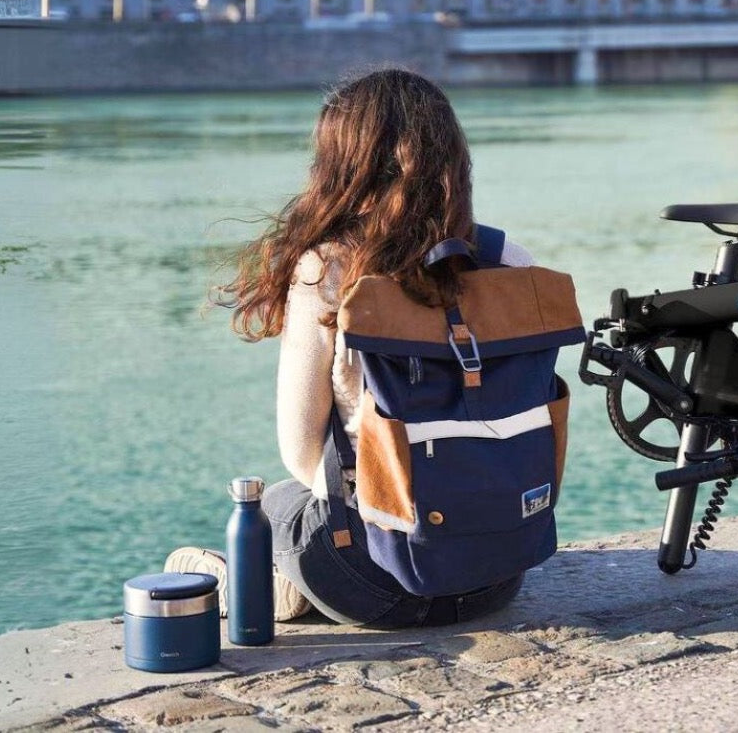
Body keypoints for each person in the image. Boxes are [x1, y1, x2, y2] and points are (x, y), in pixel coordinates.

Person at [166, 68, 530, 627]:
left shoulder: (330, 269)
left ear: (344, 166)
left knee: (276, 502)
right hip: (496, 573)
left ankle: (255, 580)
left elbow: (303, 452)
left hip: (368, 580)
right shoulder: (512, 262)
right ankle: (280, 581)